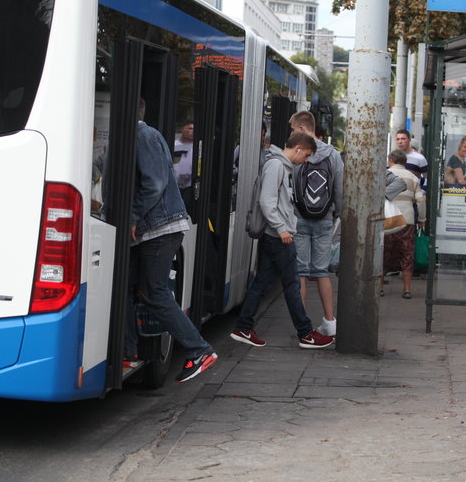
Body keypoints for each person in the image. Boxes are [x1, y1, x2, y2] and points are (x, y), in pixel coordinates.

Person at [126, 100, 217, 383]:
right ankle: (128, 350)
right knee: (128, 286)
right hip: (156, 227)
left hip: (159, 228)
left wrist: (132, 217)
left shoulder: (143, 135)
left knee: (154, 293)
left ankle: (199, 349)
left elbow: (153, 184)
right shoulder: (144, 136)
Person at [231, 131, 335, 349]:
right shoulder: (277, 166)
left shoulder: (280, 166)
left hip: (276, 235)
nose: (305, 161)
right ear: (298, 149)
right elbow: (267, 202)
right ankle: (305, 333)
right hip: (279, 236)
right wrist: (282, 229)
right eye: (306, 156)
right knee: (292, 284)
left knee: (262, 283)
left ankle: (243, 327)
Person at [288, 110, 344, 336]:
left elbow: (290, 184)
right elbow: (339, 189)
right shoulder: (333, 155)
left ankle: (302, 325)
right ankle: (330, 322)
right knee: (321, 271)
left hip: (299, 218)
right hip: (324, 219)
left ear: (302, 129)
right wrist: (335, 214)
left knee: (300, 271)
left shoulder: (299, 151)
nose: (291, 134)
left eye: (293, 130)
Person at [384, 149, 426, 299]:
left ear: (390, 160)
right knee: (407, 254)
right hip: (407, 220)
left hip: (388, 219)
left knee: (385, 252)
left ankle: (380, 286)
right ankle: (406, 289)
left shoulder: (385, 174)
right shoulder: (412, 177)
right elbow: (421, 201)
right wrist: (421, 220)